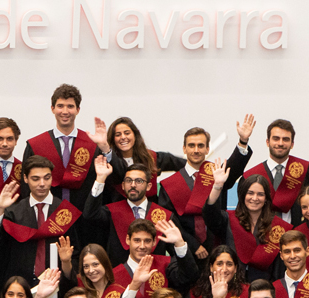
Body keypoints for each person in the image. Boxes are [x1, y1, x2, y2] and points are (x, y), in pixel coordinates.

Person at [0, 156, 82, 298]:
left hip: (55, 289)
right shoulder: (14, 211)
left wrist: (66, 264)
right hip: (19, 288)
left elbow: (75, 254)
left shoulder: (64, 211)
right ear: (25, 178)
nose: (42, 184)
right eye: (36, 179)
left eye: (47, 178)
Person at [157, 125, 251, 256]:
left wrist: (243, 141)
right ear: (184, 148)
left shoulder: (217, 174)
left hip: (217, 250)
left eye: (200, 146)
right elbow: (168, 221)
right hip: (185, 252)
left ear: (207, 149)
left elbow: (233, 169)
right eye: (191, 145)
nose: (196, 150)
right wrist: (192, 245)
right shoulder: (169, 185)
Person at [21, 84, 101, 210]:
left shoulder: (92, 145)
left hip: (85, 216)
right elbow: (26, 187)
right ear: (52, 109)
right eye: (60, 106)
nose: (65, 111)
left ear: (78, 110)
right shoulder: (35, 145)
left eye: (70, 106)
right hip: (46, 216)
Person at [83, 159, 174, 265]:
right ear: (122, 185)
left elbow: (175, 254)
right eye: (128, 181)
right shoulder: (111, 211)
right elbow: (89, 214)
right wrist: (100, 179)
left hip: (154, 276)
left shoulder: (164, 215)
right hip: (119, 277)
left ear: (149, 186)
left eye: (139, 181)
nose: (133, 185)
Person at [220, 174, 292, 281]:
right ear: (243, 195)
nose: (255, 198)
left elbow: (278, 268)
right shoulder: (228, 219)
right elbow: (209, 213)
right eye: (250, 193)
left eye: (260, 194)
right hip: (233, 284)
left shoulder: (277, 227)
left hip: (264, 288)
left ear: (266, 198)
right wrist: (217, 186)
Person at [101, 117, 184, 204]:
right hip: (117, 213)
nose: (123, 137)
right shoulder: (106, 163)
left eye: (127, 133)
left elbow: (187, 166)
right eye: (118, 135)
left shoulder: (152, 158)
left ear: (135, 135)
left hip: (149, 213)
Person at [240, 119, 305, 225]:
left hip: (295, 236)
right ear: (267, 142)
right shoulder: (250, 176)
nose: (280, 143)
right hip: (260, 235)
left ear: (292, 144)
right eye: (276, 139)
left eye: (285, 139)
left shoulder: (305, 172)